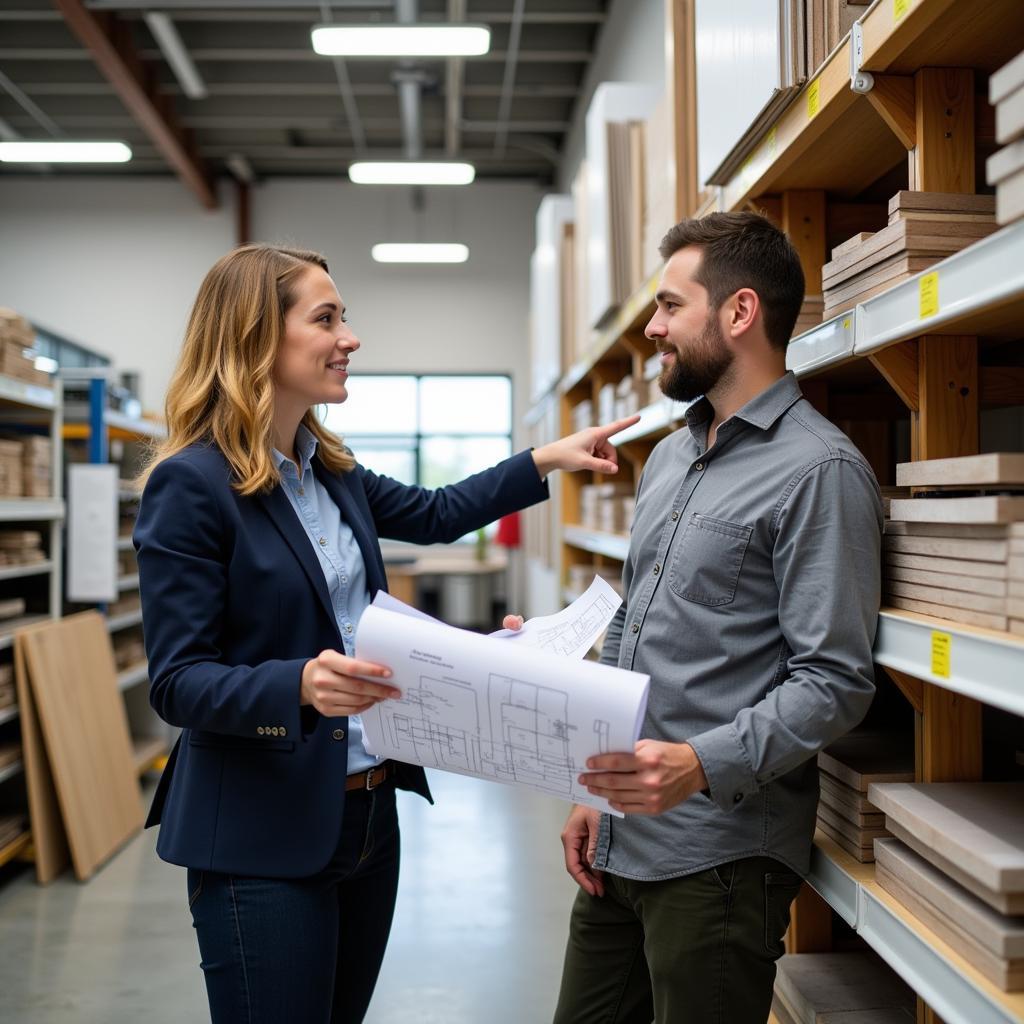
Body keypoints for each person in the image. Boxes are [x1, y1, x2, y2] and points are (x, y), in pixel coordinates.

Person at [134, 243, 638, 1024]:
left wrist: (545, 460)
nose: (350, 337)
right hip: (262, 836)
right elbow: (177, 680)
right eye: (326, 318)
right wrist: (298, 684)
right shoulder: (192, 485)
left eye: (346, 317)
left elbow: (435, 513)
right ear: (256, 336)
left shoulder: (329, 470)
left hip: (369, 817)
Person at [550, 212, 883, 1024]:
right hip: (621, 833)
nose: (654, 329)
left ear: (738, 313)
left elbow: (835, 680)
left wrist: (697, 765)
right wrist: (590, 782)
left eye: (669, 306)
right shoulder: (669, 456)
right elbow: (631, 626)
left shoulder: (820, 470)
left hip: (718, 862)